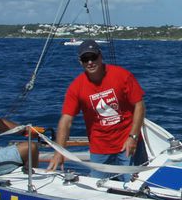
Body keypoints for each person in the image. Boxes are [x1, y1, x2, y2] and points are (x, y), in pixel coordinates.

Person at [49, 40, 146, 179]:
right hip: (100, 151)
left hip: (128, 145)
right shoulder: (76, 87)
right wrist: (59, 152)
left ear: (101, 57)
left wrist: (133, 137)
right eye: (85, 59)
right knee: (98, 189)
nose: (90, 62)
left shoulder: (123, 76)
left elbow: (139, 105)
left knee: (135, 187)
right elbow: (66, 120)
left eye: (93, 57)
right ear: (80, 62)